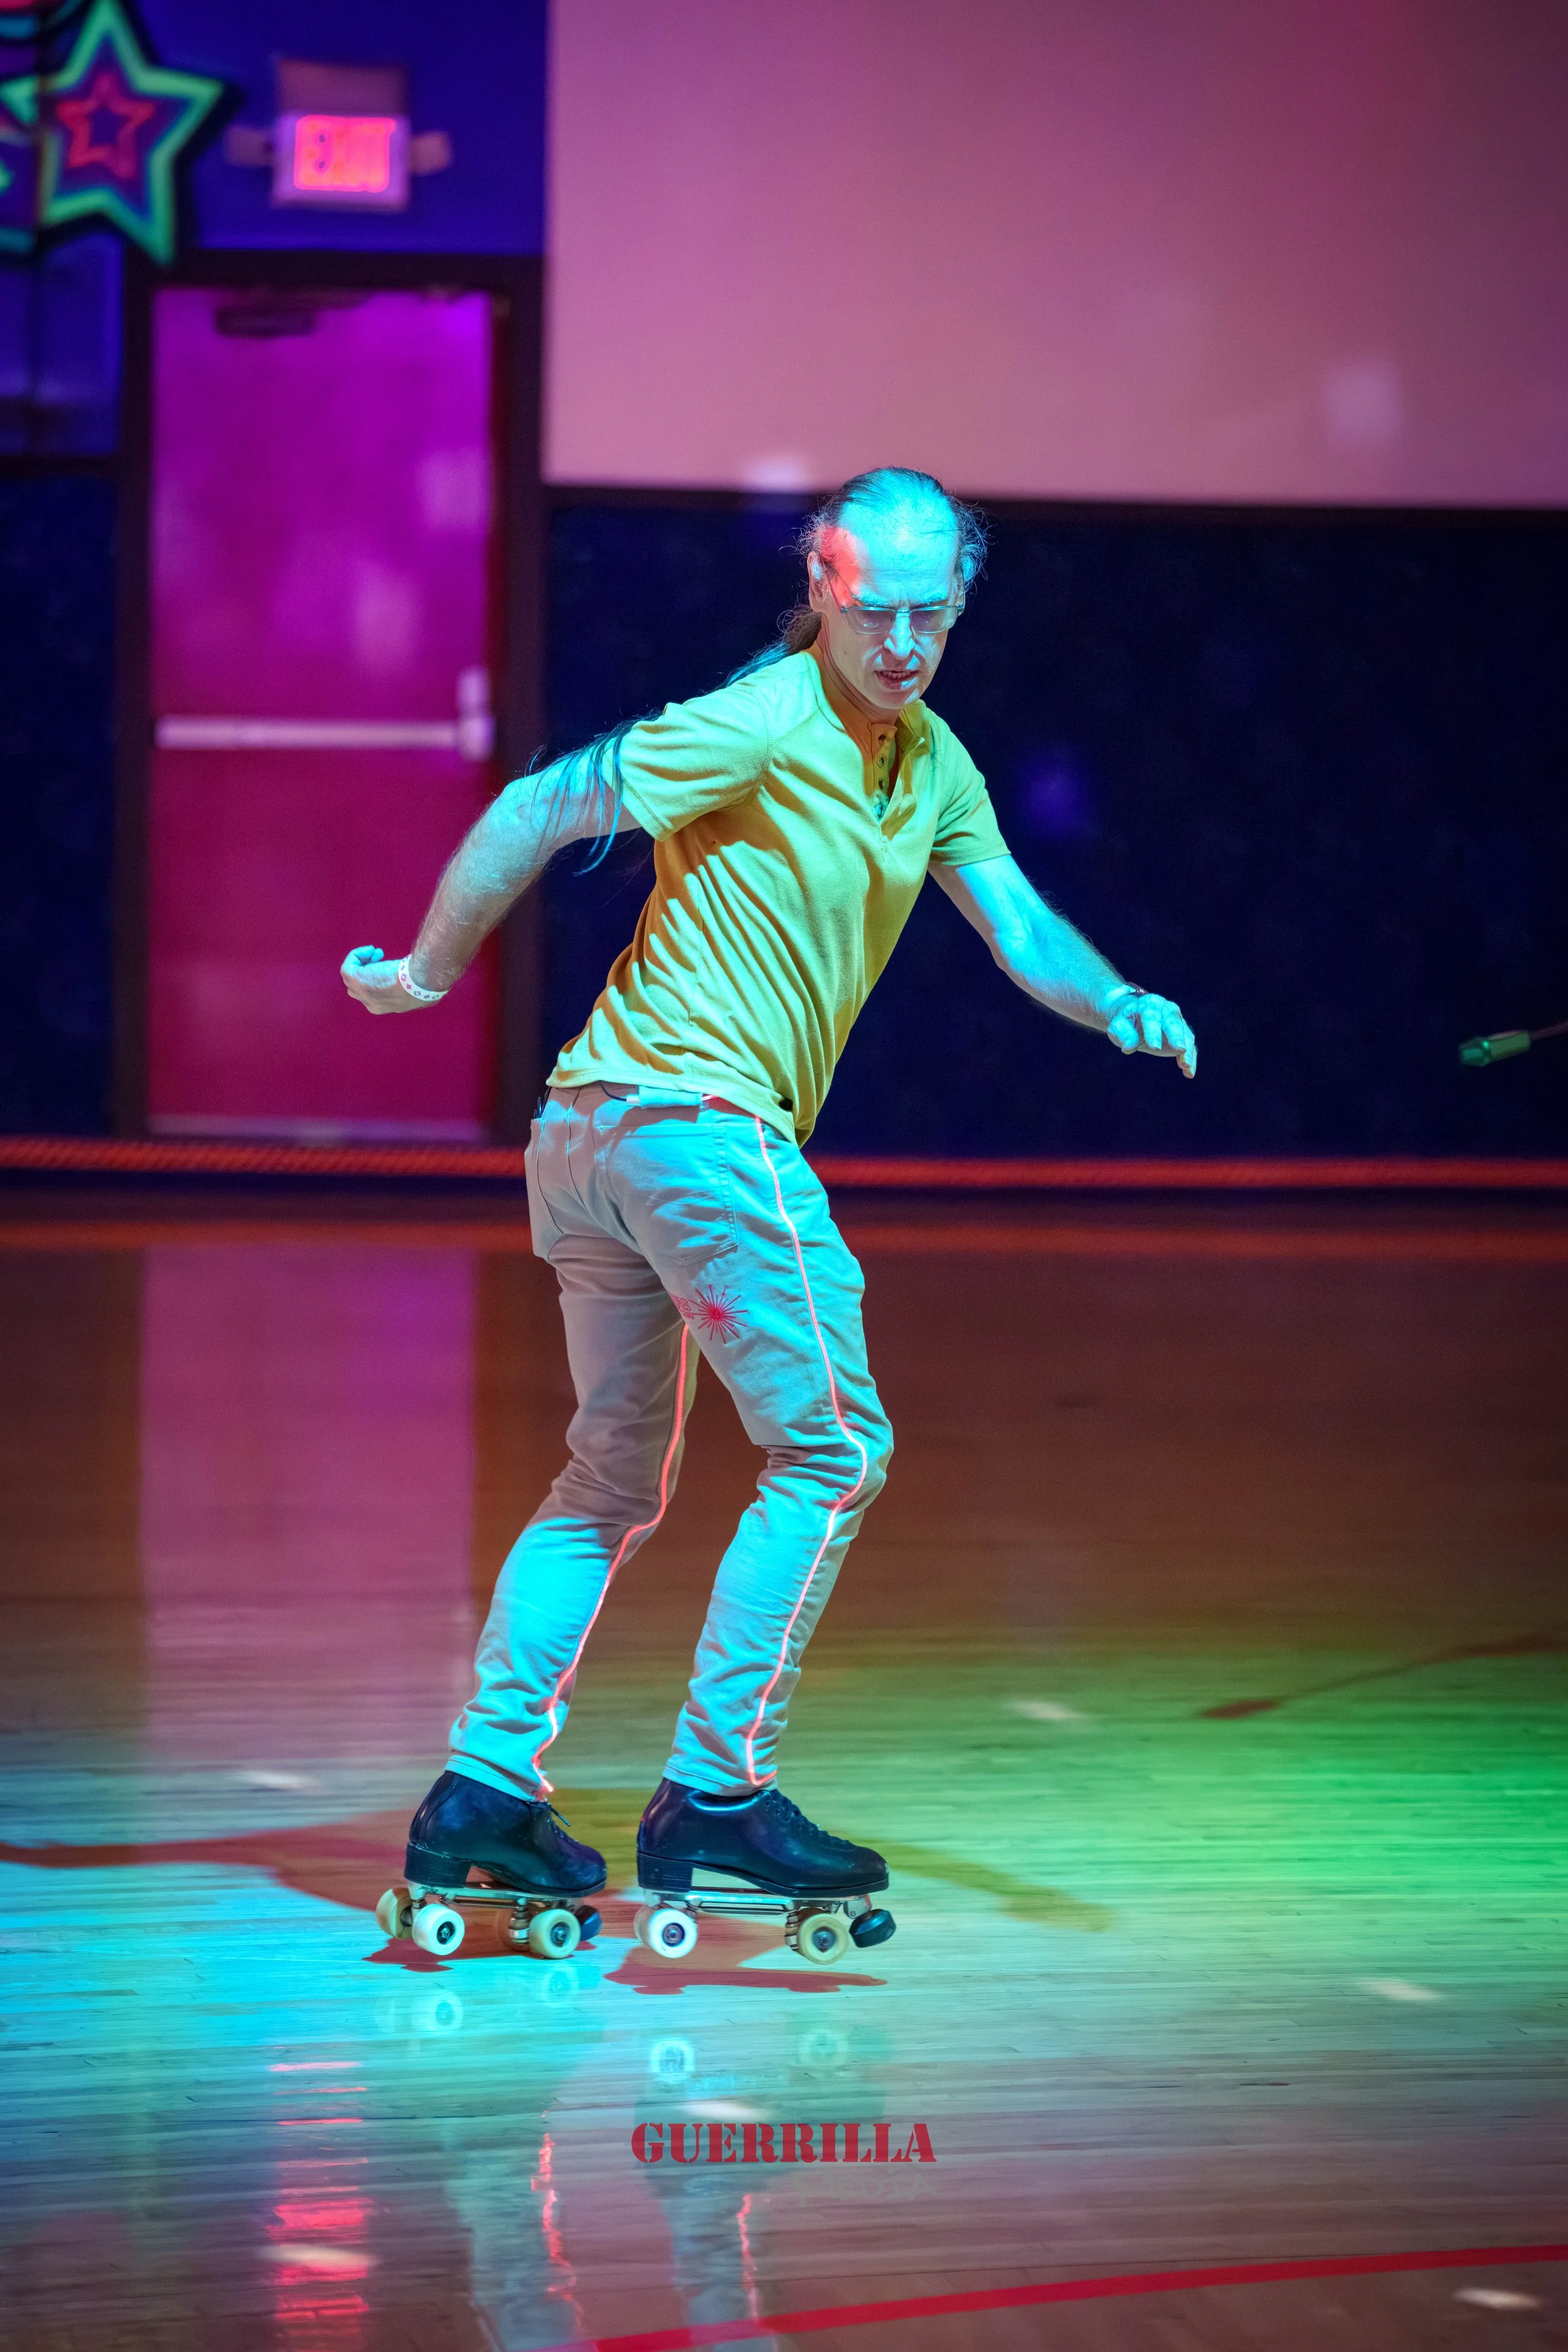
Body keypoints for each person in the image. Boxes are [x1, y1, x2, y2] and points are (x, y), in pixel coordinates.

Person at [342, 467, 1196, 1939]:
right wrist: (423, 973)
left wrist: (1108, 993)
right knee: (833, 1446)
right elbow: (542, 803)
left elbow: (1013, 924)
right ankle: (717, 1797)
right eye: (879, 611)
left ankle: (482, 1790)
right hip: (691, 1133)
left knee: (610, 1482)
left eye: (935, 614)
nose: (906, 641)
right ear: (821, 585)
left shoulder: (929, 762)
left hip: (591, 1134)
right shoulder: (761, 718)